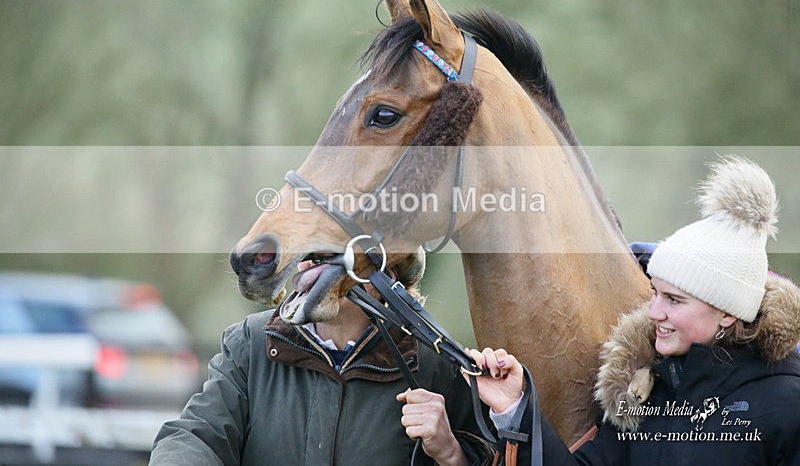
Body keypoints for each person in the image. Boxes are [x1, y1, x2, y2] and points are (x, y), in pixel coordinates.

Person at [469, 156, 800, 464]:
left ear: (728, 312)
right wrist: (515, 407)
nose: (653, 312)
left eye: (674, 300)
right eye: (655, 293)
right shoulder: (646, 391)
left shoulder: (788, 405)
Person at [149, 257, 495, 466]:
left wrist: (451, 454)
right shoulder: (251, 342)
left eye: (324, 254)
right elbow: (198, 435)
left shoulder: (439, 365)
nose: (306, 266)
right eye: (306, 254)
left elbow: (493, 456)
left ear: (385, 270)